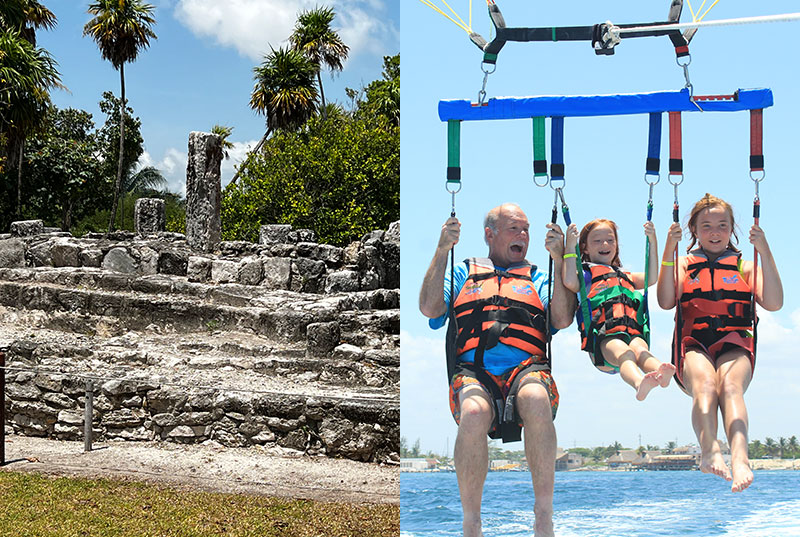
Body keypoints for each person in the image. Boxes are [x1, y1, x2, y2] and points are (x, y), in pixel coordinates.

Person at [419, 202, 576, 537]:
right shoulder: (462, 271)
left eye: (526, 229)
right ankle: (472, 521)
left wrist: (560, 257)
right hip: (474, 374)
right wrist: (442, 248)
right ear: (490, 234)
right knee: (473, 411)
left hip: (527, 369)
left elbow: (561, 318)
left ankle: (543, 515)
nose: (523, 236)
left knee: (535, 398)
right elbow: (430, 308)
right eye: (513, 229)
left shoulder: (538, 275)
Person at [657, 193, 783, 493]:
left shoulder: (744, 266)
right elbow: (664, 301)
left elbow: (775, 303)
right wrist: (669, 248)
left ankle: (740, 459)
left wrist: (764, 250)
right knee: (706, 385)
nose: (715, 232)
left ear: (731, 229)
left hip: (735, 343)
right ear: (695, 230)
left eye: (722, 225)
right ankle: (710, 450)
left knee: (730, 387)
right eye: (707, 226)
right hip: (693, 344)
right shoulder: (684, 264)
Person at [563, 219, 675, 400]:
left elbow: (651, 278)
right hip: (602, 341)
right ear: (584, 248)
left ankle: (659, 372)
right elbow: (569, 281)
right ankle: (639, 383)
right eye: (597, 241)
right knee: (626, 352)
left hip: (632, 334)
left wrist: (652, 241)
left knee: (640, 350)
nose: (605, 244)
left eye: (610, 240)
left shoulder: (626, 276)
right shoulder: (586, 275)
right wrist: (569, 246)